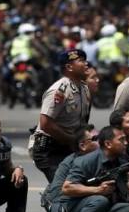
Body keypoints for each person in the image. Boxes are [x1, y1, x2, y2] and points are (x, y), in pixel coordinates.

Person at [27, 125, 98, 212]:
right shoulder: (69, 163)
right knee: (61, 211)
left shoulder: (99, 158)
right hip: (60, 198)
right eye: (95, 138)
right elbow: (57, 194)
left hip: (83, 196)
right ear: (82, 145)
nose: (99, 141)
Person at [31, 49, 91, 182]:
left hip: (69, 145)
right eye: (81, 61)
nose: (86, 64)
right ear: (69, 67)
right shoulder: (59, 90)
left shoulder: (83, 88)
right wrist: (70, 139)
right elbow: (45, 123)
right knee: (62, 187)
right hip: (50, 149)